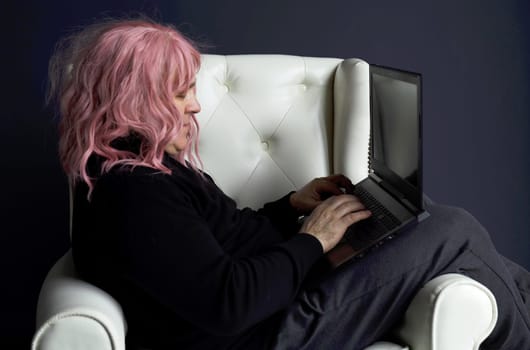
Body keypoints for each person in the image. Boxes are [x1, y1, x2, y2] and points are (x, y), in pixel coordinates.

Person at [47, 17, 530, 349]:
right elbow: (228, 303)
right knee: (450, 227)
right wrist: (312, 239)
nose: (195, 107)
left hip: (272, 312)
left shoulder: (146, 169)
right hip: (267, 336)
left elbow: (220, 239)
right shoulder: (133, 193)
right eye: (180, 94)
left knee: (423, 218)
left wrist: (289, 206)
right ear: (135, 102)